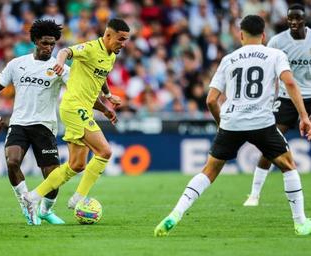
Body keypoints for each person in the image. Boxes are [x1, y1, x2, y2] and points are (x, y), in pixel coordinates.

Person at [154, 15, 311, 237]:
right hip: (261, 122)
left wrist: (222, 124)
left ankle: (175, 214)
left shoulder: (229, 58)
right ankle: (300, 222)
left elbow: (210, 99)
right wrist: (304, 116)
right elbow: (290, 82)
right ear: (264, 35)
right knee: (288, 165)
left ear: (241, 35)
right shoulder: (276, 54)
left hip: (231, 121)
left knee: (208, 172)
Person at [0, 19, 116, 225]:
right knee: (12, 161)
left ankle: (45, 211)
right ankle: (26, 204)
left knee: (52, 177)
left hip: (45, 125)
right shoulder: (17, 64)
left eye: (53, 44)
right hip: (19, 123)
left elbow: (81, 94)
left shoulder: (61, 68)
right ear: (35, 41)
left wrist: (105, 109)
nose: (49, 48)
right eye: (45, 43)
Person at [23, 18, 130, 225]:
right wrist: (60, 64)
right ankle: (79, 198)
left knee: (77, 164)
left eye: (126, 40)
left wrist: (108, 97)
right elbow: (65, 52)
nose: (123, 43)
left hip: (84, 109)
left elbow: (102, 76)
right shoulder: (90, 48)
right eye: (121, 39)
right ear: (108, 35)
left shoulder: (111, 56)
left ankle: (32, 197)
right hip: (74, 107)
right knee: (105, 152)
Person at [243, 4, 311, 207]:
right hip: (286, 97)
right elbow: (266, 71)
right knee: (270, 144)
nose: (294, 22)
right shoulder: (277, 42)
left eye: (298, 18)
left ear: (305, 19)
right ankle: (254, 194)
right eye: (290, 18)